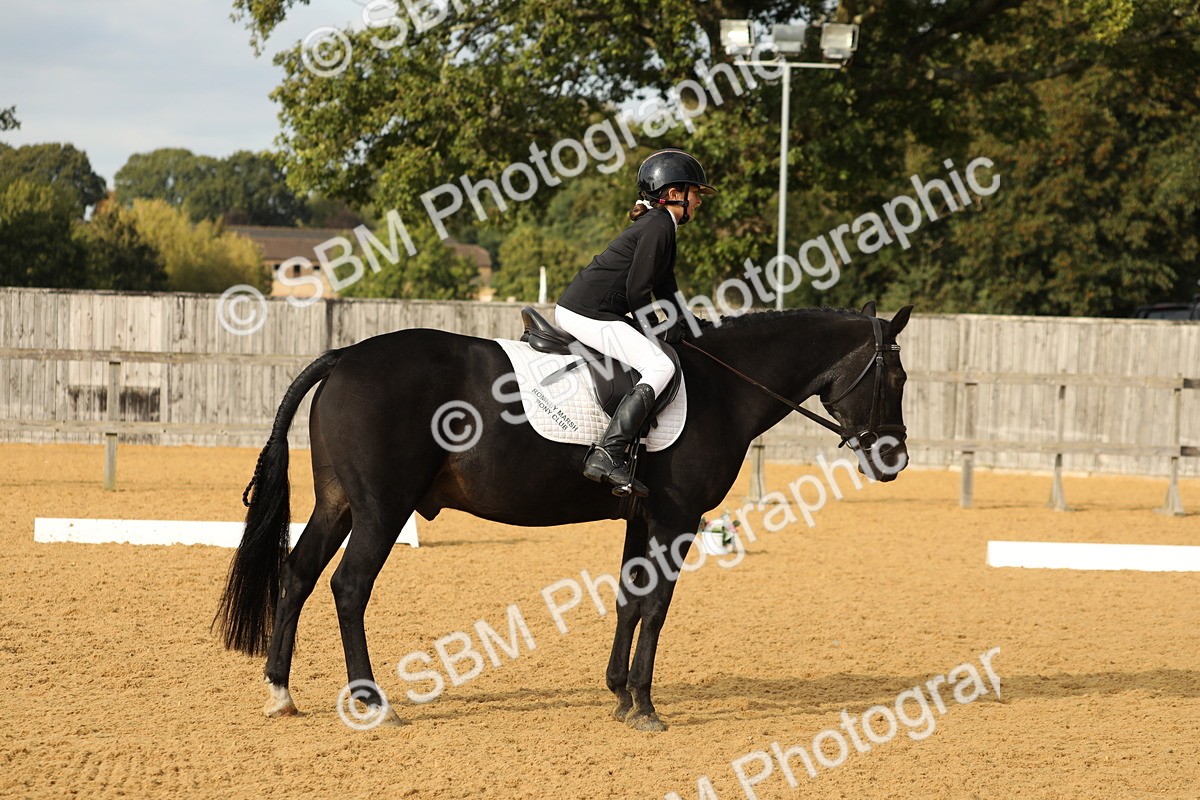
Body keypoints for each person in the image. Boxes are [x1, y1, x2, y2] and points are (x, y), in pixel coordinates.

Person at [554, 148, 716, 498]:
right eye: (695, 194)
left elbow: (665, 285)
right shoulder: (659, 225)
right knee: (659, 366)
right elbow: (638, 289)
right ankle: (608, 453)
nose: (699, 202)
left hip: (599, 311)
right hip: (587, 313)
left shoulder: (661, 225)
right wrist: (658, 326)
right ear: (674, 194)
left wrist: (688, 325)